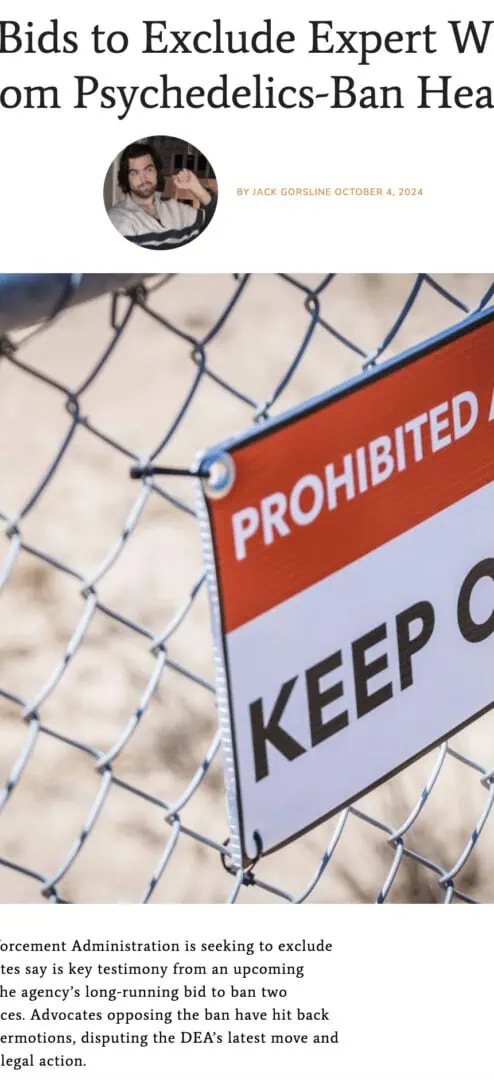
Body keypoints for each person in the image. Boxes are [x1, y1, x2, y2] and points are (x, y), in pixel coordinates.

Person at [108, 142, 216, 250]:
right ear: (126, 179)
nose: (143, 178)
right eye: (135, 173)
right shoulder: (119, 220)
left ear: (157, 172)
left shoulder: (177, 209)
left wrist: (196, 188)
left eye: (148, 169)